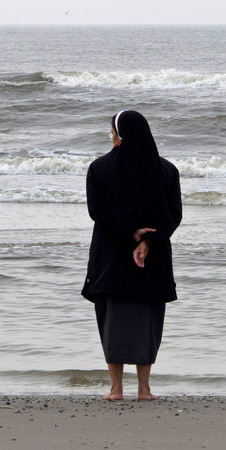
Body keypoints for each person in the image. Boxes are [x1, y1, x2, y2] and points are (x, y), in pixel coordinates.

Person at [82, 110, 182, 401]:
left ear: (118, 134)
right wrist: (148, 241)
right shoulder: (166, 170)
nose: (111, 137)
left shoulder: (99, 168)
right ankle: (144, 389)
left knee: (112, 319)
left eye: (112, 132)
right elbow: (174, 215)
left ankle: (116, 389)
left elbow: (97, 213)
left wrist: (131, 235)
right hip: (154, 258)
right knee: (148, 320)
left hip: (111, 256)